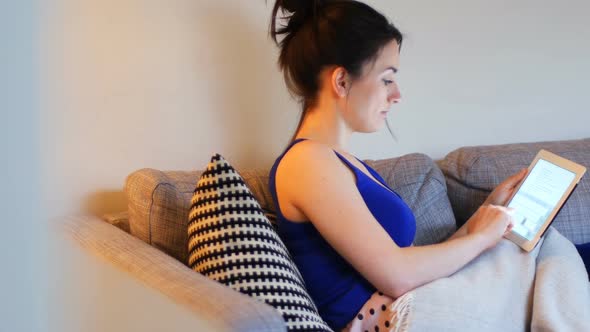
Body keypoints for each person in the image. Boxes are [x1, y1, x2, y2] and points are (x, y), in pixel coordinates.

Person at [267, 1, 527, 331]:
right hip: (392, 320)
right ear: (342, 81)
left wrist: (487, 213)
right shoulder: (307, 162)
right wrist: (482, 239)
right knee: (535, 256)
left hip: (412, 304)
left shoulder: (344, 164)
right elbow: (398, 276)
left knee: (539, 251)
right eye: (387, 79)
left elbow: (414, 266)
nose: (397, 95)